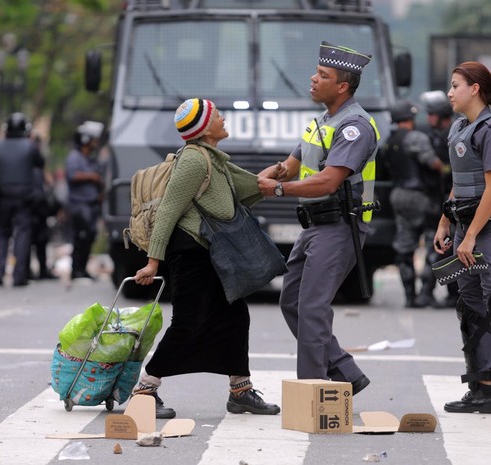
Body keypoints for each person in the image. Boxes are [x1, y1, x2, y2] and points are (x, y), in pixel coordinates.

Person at [132, 98, 280, 419]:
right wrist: (153, 261)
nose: (222, 118)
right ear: (204, 128)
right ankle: (144, 389)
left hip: (210, 251)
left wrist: (276, 179)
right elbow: (170, 210)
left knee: (236, 315)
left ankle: (240, 391)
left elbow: (247, 187)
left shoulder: (214, 159)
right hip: (189, 252)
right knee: (188, 322)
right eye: (216, 115)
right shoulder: (194, 161)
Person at [257, 41, 375, 392]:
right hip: (315, 226)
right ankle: (345, 372)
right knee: (291, 300)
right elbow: (288, 167)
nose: (312, 79)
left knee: (311, 308)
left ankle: (314, 390)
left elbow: (328, 180)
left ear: (342, 86)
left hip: (341, 225)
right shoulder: (322, 121)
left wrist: (278, 190)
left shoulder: (355, 126)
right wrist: (254, 182)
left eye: (322, 75)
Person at [433, 61, 491, 414]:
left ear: (475, 88)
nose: (449, 92)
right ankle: (481, 387)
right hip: (463, 227)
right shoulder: (459, 128)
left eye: (456, 85)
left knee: (489, 304)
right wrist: (444, 222)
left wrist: (470, 237)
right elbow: (459, 181)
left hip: (483, 231)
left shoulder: (488, 129)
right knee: (469, 306)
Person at [383, 99, 446, 308]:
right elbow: (433, 163)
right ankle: (425, 293)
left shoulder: (390, 140)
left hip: (398, 195)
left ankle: (409, 297)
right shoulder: (416, 138)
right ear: (410, 118)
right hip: (421, 197)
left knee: (404, 246)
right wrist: (447, 169)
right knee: (432, 245)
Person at [0, 113, 44, 287]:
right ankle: (19, 275)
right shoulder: (30, 146)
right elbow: (40, 163)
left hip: (2, 195)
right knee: (22, 234)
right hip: (25, 196)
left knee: (2, 234)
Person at [420, 90, 459, 308]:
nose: (428, 118)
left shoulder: (452, 134)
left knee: (449, 248)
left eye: (432, 114)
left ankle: (450, 293)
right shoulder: (434, 134)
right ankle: (431, 292)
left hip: (451, 201)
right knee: (440, 247)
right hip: (436, 199)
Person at [65, 121, 105, 280]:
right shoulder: (74, 157)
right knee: (80, 237)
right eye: (93, 140)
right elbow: (72, 176)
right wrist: (92, 177)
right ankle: (76, 271)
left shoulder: (90, 159)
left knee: (89, 237)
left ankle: (83, 269)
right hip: (79, 204)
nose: (95, 143)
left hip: (91, 204)